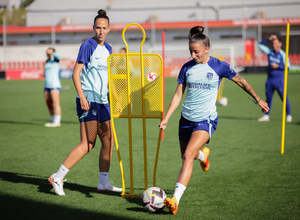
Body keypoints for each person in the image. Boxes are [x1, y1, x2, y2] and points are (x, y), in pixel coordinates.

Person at [158, 26, 269, 215]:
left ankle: (175, 200)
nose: (193, 55)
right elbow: (178, 95)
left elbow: (241, 81)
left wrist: (258, 99)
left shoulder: (219, 66)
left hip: (206, 120)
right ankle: (203, 156)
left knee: (187, 155)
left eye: (196, 51)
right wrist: (166, 118)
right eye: (190, 51)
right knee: (189, 156)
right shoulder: (186, 67)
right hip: (185, 119)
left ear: (207, 48)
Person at [49, 9, 122, 196]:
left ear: (109, 29)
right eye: (98, 28)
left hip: (103, 101)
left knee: (108, 141)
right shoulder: (88, 45)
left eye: (104, 28)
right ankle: (57, 177)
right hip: (88, 99)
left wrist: (113, 97)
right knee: (88, 144)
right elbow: (76, 73)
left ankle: (103, 183)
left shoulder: (109, 49)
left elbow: (107, 78)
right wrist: (82, 96)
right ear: (93, 28)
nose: (101, 31)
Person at [257, 34, 292, 122]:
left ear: (280, 44)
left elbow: (287, 68)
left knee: (284, 98)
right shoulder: (270, 52)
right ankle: (266, 116)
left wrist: (278, 66)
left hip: (279, 80)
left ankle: (288, 115)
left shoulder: (283, 54)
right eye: (273, 43)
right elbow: (259, 45)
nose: (274, 45)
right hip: (269, 80)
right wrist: (269, 39)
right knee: (268, 99)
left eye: (276, 43)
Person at [43, 47, 62, 127]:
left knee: (55, 103)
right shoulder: (46, 62)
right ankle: (52, 120)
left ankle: (57, 122)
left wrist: (52, 53)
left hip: (54, 85)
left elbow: (58, 57)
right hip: (47, 85)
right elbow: (46, 74)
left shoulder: (55, 60)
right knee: (48, 103)